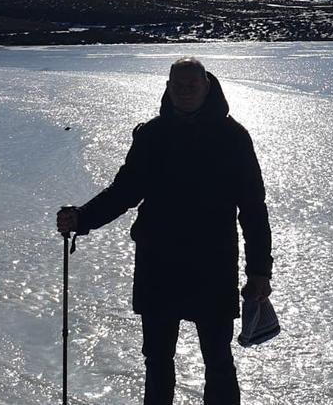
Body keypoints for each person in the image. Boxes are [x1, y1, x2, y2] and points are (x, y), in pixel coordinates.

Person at [57, 57, 273, 405]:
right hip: (159, 263)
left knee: (218, 361)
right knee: (157, 360)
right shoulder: (152, 136)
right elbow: (124, 191)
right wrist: (82, 218)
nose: (185, 91)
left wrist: (260, 271)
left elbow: (253, 208)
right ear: (168, 88)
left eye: (192, 85)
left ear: (206, 86)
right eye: (178, 85)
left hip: (213, 265)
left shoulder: (233, 138)